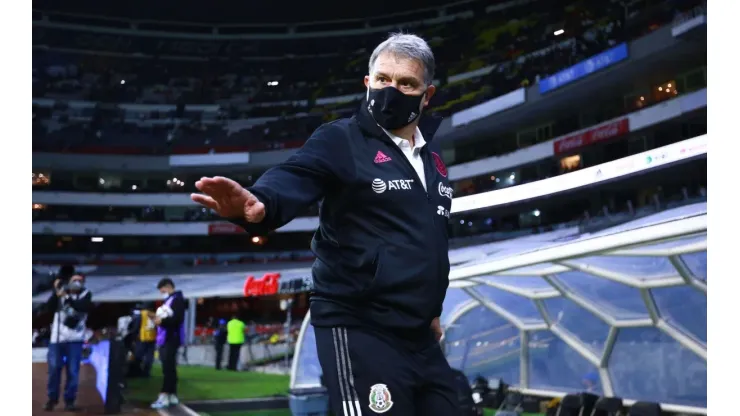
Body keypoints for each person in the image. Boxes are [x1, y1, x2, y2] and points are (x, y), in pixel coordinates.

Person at [191, 33, 459, 415]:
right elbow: (295, 174)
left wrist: (430, 308)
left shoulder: (433, 162)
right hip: (359, 325)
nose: (392, 90)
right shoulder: (340, 140)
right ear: (367, 83)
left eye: (406, 84)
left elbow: (430, 241)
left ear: (426, 95)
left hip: (420, 334)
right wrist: (260, 202)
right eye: (383, 79)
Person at [43, 274, 93, 412]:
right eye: (74, 280)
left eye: (80, 281)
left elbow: (81, 307)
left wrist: (67, 296)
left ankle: (69, 400)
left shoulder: (86, 294)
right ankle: (52, 399)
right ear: (69, 282)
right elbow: (49, 307)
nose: (77, 283)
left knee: (73, 371)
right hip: (57, 339)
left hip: (75, 339)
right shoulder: (60, 295)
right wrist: (56, 292)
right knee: (54, 369)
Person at [151, 278, 185, 410]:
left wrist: (162, 321)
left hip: (171, 338)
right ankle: (172, 395)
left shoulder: (177, 300)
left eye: (162, 290)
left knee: (167, 368)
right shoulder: (170, 300)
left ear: (168, 286)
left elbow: (177, 319)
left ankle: (164, 395)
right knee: (170, 367)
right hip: (167, 337)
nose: (162, 293)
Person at [136, 302, 157, 377]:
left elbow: (137, 325)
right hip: (152, 337)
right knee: (149, 356)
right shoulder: (154, 314)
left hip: (142, 337)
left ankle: (136, 371)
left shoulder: (141, 314)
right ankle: (146, 372)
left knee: (139, 355)